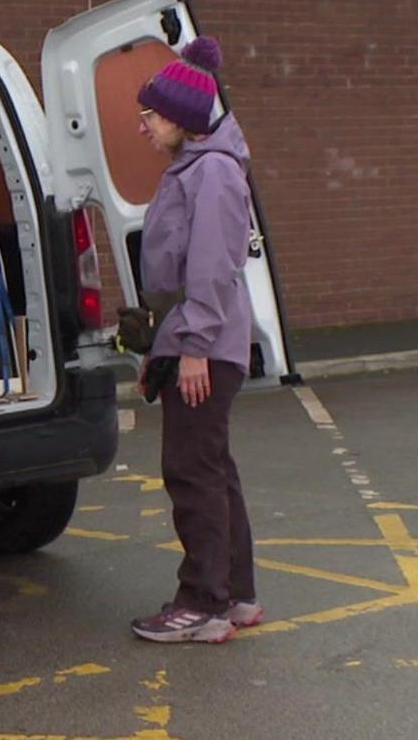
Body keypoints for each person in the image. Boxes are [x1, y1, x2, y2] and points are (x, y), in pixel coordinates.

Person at [128, 35, 262, 644]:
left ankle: (202, 601)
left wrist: (195, 347)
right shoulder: (196, 168)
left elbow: (210, 265)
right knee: (213, 468)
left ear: (182, 118)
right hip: (192, 337)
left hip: (205, 341)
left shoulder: (211, 172)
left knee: (192, 472)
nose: (144, 128)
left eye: (150, 116)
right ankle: (234, 595)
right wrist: (165, 350)